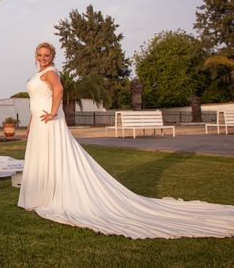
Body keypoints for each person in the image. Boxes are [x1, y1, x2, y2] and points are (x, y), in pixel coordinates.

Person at [18, 42, 234, 239]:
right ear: (35, 55)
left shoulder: (50, 73)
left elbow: (59, 90)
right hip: (39, 122)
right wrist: (30, 123)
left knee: (53, 157)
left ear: (52, 56)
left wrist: (54, 112)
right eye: (40, 54)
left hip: (49, 121)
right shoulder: (39, 74)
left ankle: (52, 196)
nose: (43, 57)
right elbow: (36, 100)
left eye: (47, 55)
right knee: (42, 159)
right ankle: (42, 194)